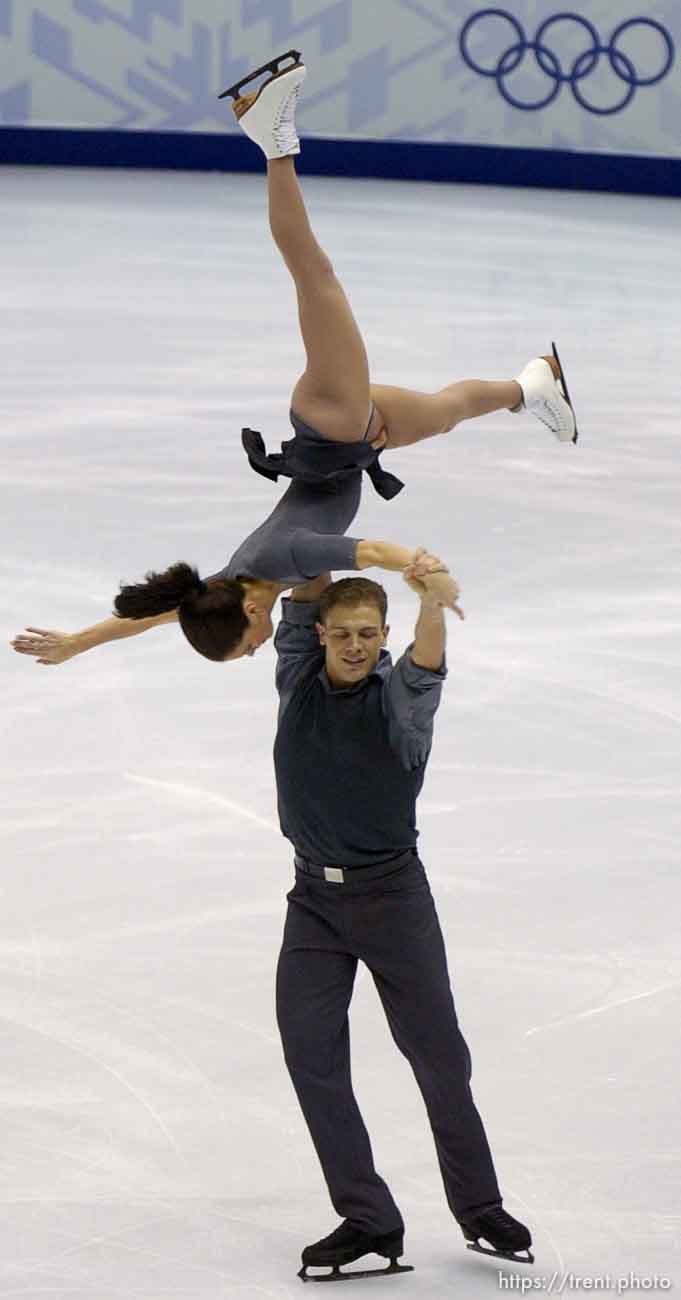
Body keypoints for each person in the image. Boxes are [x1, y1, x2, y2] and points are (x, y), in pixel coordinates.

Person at [11, 51, 576, 670]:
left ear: (254, 616)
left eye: (247, 648)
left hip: (334, 424)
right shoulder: (228, 587)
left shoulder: (281, 562)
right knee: (444, 412)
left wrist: (423, 569)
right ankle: (534, 383)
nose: (258, 650)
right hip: (349, 436)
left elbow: (368, 552)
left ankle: (274, 139)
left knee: (315, 276)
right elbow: (154, 615)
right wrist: (79, 641)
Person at [272, 562, 533, 1281]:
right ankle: (367, 1218)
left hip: (393, 902)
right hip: (312, 906)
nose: (355, 646)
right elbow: (301, 564)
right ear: (319, 634)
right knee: (310, 1056)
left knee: (438, 1058)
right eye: (343, 633)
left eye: (367, 635)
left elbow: (426, 658)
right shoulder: (296, 675)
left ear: (382, 636)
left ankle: (479, 1206)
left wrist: (427, 599)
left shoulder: (400, 702)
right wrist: (324, 484)